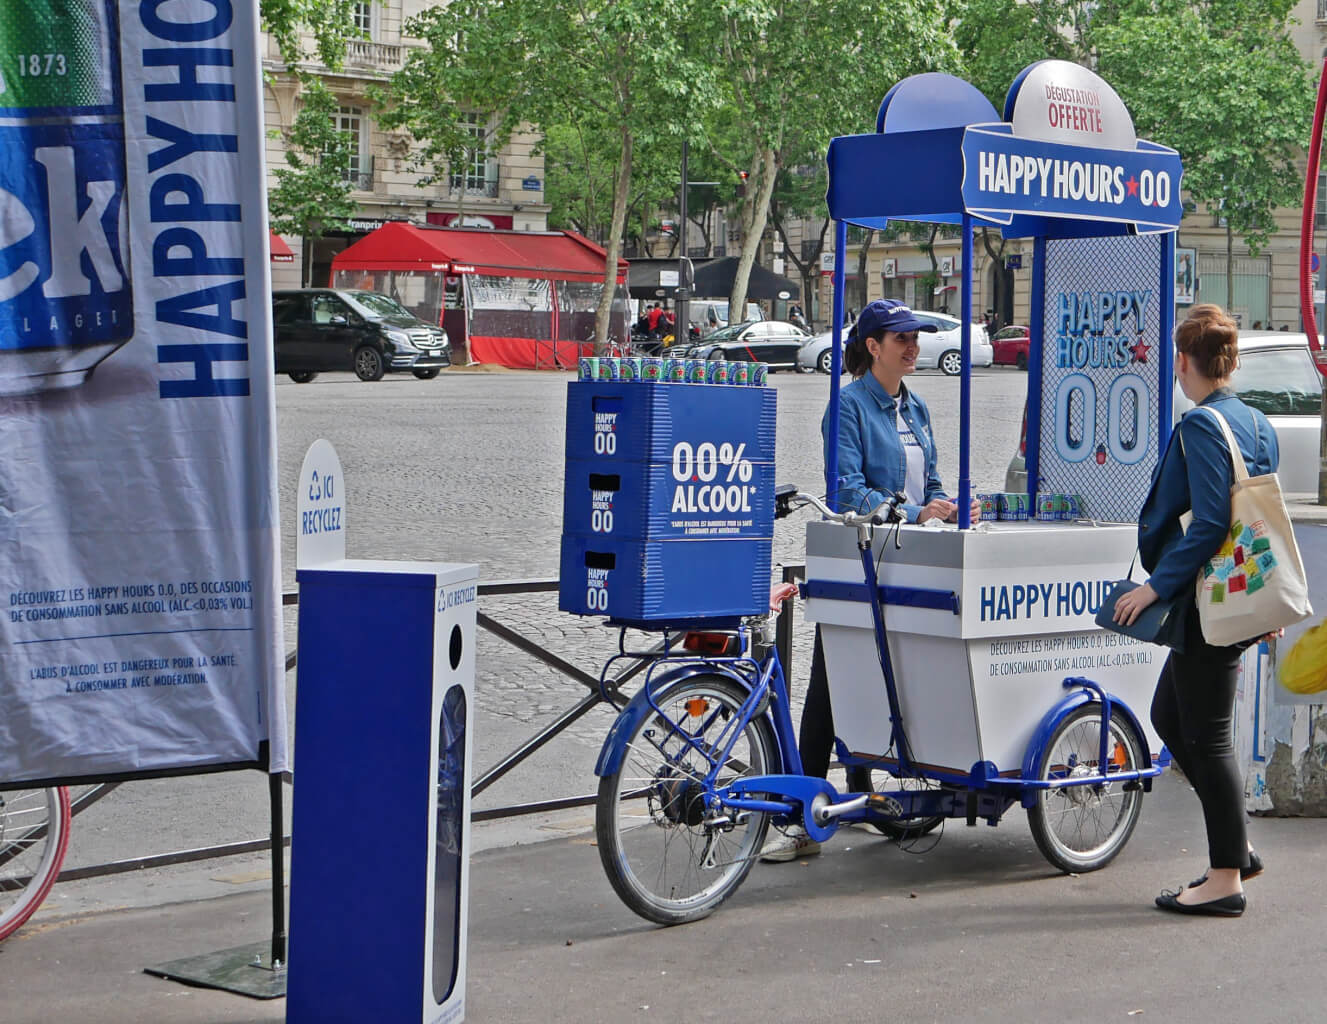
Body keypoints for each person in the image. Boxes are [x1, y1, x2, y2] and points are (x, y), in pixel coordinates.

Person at [761, 298, 980, 862]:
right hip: (860, 557)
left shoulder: (919, 408)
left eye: (916, 337)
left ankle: (862, 796)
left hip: (911, 558)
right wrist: (909, 513)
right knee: (831, 682)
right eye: (900, 337)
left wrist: (945, 505)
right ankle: (802, 822)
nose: (912, 346)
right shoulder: (849, 406)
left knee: (888, 677)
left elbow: (931, 478)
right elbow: (846, 489)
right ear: (872, 346)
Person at [1112, 304, 1278, 917]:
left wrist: (1152, 589)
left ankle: (1224, 878)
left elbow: (1211, 522)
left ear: (1184, 361)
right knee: (1170, 716)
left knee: (1205, 739)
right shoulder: (1257, 421)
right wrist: (1264, 595)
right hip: (1230, 597)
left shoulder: (1204, 425)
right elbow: (1256, 518)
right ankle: (1236, 847)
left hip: (1206, 602)